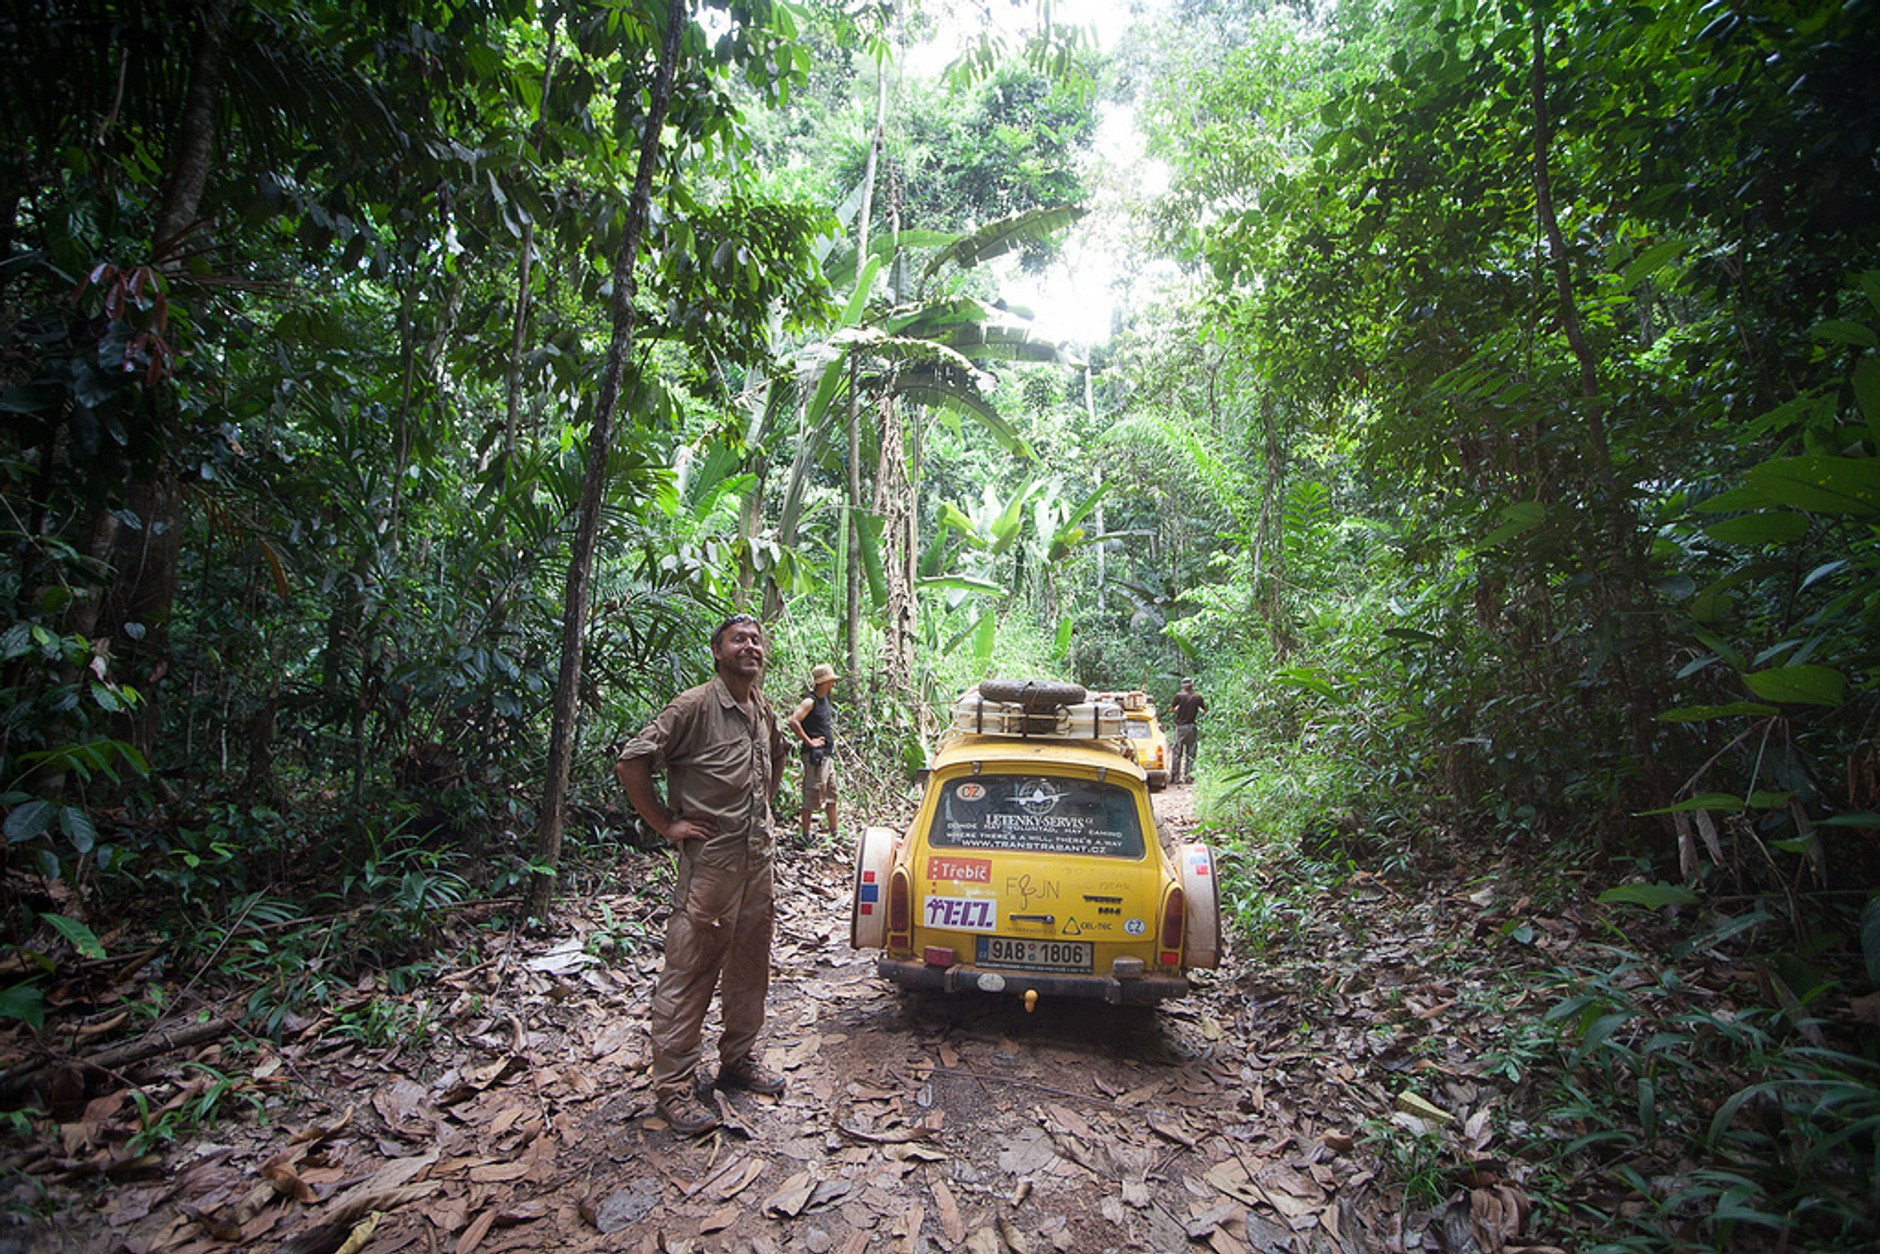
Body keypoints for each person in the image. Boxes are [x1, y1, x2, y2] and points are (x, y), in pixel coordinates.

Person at [614, 613, 788, 1136]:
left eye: (756, 639)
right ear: (717, 651)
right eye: (738, 639)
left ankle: (738, 1061)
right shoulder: (693, 707)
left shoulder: (762, 708)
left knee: (749, 965)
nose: (750, 646)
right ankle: (673, 1088)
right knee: (690, 971)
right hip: (712, 867)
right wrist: (667, 824)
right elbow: (632, 761)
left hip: (757, 863)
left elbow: (777, 758)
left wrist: (762, 814)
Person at [787, 663, 840, 844]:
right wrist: (810, 742)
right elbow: (793, 721)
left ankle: (835, 832)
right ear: (823, 682)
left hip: (826, 755)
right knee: (812, 794)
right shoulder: (810, 701)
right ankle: (806, 834)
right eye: (830, 680)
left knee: (832, 794)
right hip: (814, 757)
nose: (833, 683)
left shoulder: (825, 699)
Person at [1168, 676, 1208, 785]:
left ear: (1183, 686)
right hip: (1192, 727)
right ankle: (1188, 777)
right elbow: (1205, 710)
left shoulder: (1179, 696)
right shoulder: (1197, 697)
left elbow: (1171, 710)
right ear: (1192, 685)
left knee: (1177, 752)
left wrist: (1178, 709)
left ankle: (1175, 777)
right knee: (1190, 753)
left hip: (1180, 727)